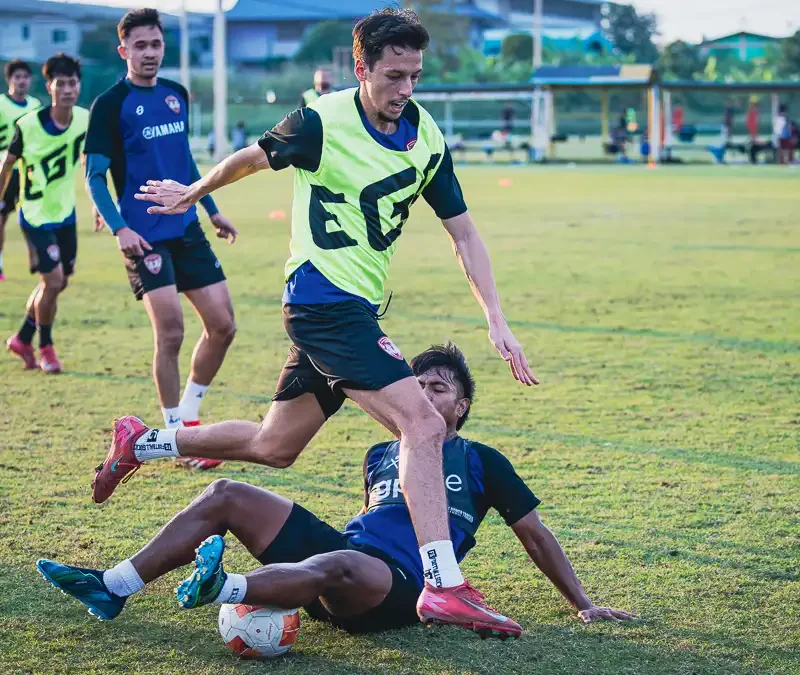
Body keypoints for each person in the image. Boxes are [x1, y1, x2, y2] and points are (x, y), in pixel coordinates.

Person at [97, 8, 538, 637]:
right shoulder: (322, 120)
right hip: (324, 305)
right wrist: (192, 194)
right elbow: (251, 158)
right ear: (361, 67)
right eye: (393, 76)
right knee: (424, 422)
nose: (405, 89)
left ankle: (141, 443)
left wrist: (496, 318)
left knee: (274, 445)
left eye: (415, 76)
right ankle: (444, 585)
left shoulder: (428, 137)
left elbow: (462, 231)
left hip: (352, 311)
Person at [39, 344, 633, 636]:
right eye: (416, 385)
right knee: (227, 492)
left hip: (400, 590)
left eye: (439, 389)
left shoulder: (483, 462)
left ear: (463, 406)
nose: (425, 396)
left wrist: (581, 602)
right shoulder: (383, 451)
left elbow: (534, 533)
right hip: (340, 558)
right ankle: (113, 585)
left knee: (342, 561)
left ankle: (232, 587)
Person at [84, 8, 239, 468]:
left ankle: (189, 415)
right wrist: (120, 228)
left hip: (186, 227)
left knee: (224, 326)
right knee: (170, 331)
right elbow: (94, 176)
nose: (149, 53)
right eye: (140, 46)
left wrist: (210, 208)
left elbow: (184, 161)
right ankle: (173, 437)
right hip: (143, 236)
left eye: (156, 44)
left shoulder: (175, 95)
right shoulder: (109, 105)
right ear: (123, 50)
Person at [0, 54, 87, 373]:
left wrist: (97, 202)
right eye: (60, 83)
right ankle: (46, 347)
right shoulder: (28, 125)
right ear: (49, 86)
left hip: (66, 214)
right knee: (53, 281)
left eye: (73, 83)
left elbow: (88, 162)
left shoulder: (83, 119)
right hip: (35, 214)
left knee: (59, 283)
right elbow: (7, 164)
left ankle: (22, 337)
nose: (67, 89)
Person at [0, 59, 41, 281]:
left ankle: (35, 257)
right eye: (17, 77)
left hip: (29, 171)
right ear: (9, 80)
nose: (22, 81)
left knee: (31, 214)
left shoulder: (35, 106)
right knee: (1, 218)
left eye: (25, 77)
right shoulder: (1, 104)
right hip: (4, 169)